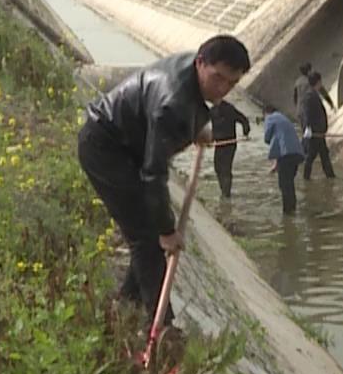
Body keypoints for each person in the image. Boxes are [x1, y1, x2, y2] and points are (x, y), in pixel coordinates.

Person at [79, 34, 251, 328]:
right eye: (217, 78)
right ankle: (162, 329)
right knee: (147, 237)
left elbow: (187, 109)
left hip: (130, 144)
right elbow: (153, 175)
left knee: (144, 232)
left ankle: (127, 304)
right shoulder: (173, 104)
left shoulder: (191, 75)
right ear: (200, 62)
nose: (222, 89)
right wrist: (168, 230)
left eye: (231, 84)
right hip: (105, 147)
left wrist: (196, 127)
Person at [261, 101, 305, 215]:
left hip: (287, 156)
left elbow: (267, 137)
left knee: (284, 185)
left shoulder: (270, 118)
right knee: (289, 184)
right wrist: (276, 165)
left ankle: (287, 214)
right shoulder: (283, 119)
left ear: (265, 113)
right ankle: (292, 210)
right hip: (297, 154)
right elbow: (280, 141)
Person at [208, 98, 251, 200]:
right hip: (219, 144)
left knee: (226, 168)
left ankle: (226, 194)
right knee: (217, 167)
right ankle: (224, 190)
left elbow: (243, 120)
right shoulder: (212, 110)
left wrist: (246, 132)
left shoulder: (229, 109)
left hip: (229, 143)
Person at [298, 70, 335, 180]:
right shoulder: (310, 96)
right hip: (315, 132)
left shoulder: (313, 93)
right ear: (318, 82)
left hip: (318, 132)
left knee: (323, 155)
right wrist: (308, 128)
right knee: (311, 156)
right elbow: (307, 113)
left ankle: (330, 176)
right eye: (320, 82)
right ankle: (307, 178)